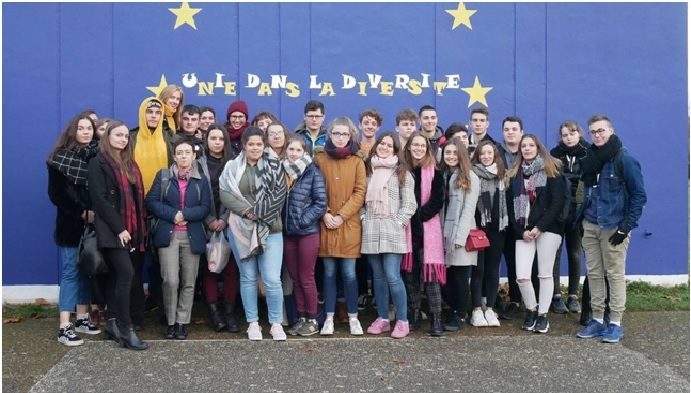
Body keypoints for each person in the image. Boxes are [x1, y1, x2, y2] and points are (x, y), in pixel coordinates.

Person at [576, 114, 646, 343]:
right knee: (594, 273)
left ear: (611, 131)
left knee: (614, 275)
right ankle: (597, 319)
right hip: (590, 224)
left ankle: (615, 323)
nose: (597, 135)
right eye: (593, 132)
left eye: (601, 130)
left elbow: (638, 196)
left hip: (613, 226)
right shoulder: (590, 158)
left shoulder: (624, 159)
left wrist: (625, 228)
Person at [219, 127, 288, 341]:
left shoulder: (275, 165)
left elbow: (280, 194)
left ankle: (276, 323)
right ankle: (253, 323)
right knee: (248, 277)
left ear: (264, 145)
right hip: (240, 228)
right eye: (251, 144)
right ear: (244, 145)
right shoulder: (232, 167)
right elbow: (225, 193)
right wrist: (246, 212)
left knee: (271, 279)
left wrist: (259, 214)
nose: (256, 148)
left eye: (259, 144)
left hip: (270, 228)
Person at [88, 120, 148, 350]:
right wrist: (120, 228)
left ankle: (112, 323)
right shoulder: (98, 163)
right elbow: (101, 200)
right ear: (107, 137)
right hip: (113, 230)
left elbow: (135, 200)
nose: (123, 139)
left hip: (132, 230)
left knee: (116, 277)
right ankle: (126, 328)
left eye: (125, 136)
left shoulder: (130, 164)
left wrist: (134, 229)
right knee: (126, 274)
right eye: (118, 135)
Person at [146, 138, 211, 340]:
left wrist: (185, 215)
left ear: (194, 156)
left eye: (187, 152)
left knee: (189, 281)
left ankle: (182, 322)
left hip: (191, 234)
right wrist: (173, 214)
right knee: (171, 280)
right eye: (179, 152)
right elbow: (152, 201)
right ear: (174, 156)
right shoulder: (163, 176)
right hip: (169, 233)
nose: (183, 156)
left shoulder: (201, 179)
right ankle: (171, 321)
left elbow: (205, 207)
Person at [48, 113, 101, 346]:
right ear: (73, 131)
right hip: (71, 224)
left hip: (94, 225)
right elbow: (57, 194)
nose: (86, 132)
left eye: (90, 128)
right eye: (81, 128)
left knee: (87, 270)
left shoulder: (98, 156)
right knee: (71, 271)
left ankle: (82, 319)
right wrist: (82, 212)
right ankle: (64, 326)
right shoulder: (59, 159)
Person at [506, 134, 565, 334]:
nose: (527, 148)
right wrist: (522, 231)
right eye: (524, 146)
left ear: (538, 148)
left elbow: (557, 203)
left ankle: (543, 316)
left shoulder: (552, 171)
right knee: (522, 276)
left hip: (548, 229)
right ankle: (531, 309)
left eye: (531, 145)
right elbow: (510, 208)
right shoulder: (514, 175)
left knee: (544, 274)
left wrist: (539, 227)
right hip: (523, 232)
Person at [313, 117, 366, 336]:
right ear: (330, 135)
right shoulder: (319, 159)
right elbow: (314, 189)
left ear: (351, 136)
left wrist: (342, 216)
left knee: (349, 274)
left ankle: (353, 317)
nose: (341, 138)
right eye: (337, 133)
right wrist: (325, 213)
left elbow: (360, 192)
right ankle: (329, 318)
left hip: (349, 225)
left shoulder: (357, 161)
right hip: (325, 224)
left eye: (345, 134)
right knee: (328, 273)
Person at [361, 132, 417, 338]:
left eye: (389, 145)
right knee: (378, 277)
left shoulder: (402, 172)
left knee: (393, 275)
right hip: (371, 230)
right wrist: (364, 219)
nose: (384, 147)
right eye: (381, 144)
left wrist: (398, 222)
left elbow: (410, 204)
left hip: (392, 231)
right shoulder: (368, 170)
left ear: (395, 150)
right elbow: (360, 199)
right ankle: (383, 318)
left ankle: (402, 320)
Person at [281, 135, 327, 336]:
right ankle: (300, 317)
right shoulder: (281, 172)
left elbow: (320, 203)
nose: (293, 153)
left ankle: (313, 318)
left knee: (307, 277)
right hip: (288, 233)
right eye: (291, 149)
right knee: (295, 278)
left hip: (307, 233)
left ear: (305, 153)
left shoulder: (312, 172)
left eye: (298, 150)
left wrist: (302, 221)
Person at [197, 124, 240, 333]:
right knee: (211, 268)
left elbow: (239, 196)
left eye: (220, 138)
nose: (216, 142)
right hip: (205, 222)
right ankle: (215, 315)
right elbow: (194, 196)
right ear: (206, 141)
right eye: (212, 138)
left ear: (226, 141)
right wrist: (209, 220)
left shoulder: (234, 164)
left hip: (230, 222)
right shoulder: (198, 164)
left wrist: (224, 219)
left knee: (231, 270)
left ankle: (229, 314)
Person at [403, 131, 446, 336]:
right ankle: (415, 314)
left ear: (427, 149)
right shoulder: (402, 171)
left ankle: (436, 319)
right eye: (415, 145)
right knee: (410, 276)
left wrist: (418, 215)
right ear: (409, 147)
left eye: (423, 145)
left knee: (431, 278)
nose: (419, 148)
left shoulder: (435, 171)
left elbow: (438, 200)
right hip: (406, 231)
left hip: (426, 228)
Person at [439, 139, 480, 330]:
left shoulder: (469, 176)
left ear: (461, 155)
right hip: (443, 233)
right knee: (445, 279)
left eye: (455, 153)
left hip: (460, 235)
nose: (451, 156)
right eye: (447, 153)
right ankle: (453, 309)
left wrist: (460, 238)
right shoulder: (443, 175)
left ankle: (460, 315)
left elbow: (468, 210)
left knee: (460, 278)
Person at [549, 120, 589, 314]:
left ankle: (573, 295)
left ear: (579, 133)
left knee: (574, 252)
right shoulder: (555, 153)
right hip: (559, 209)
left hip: (578, 210)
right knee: (555, 253)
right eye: (565, 135)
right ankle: (556, 296)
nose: (569, 137)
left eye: (572, 133)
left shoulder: (588, 152)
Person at [469, 140, 509, 328]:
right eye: (482, 154)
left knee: (493, 268)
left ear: (495, 155)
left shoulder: (503, 176)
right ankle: (477, 309)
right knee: (478, 270)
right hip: (478, 229)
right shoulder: (472, 175)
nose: (486, 156)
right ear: (477, 156)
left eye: (489, 153)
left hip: (497, 229)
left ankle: (490, 308)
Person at [495, 115, 525, 320]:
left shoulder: (528, 152)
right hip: (499, 215)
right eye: (507, 129)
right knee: (495, 259)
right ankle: (494, 300)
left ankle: (516, 301)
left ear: (521, 132)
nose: (510, 132)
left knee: (517, 263)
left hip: (521, 215)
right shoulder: (496, 152)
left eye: (514, 129)